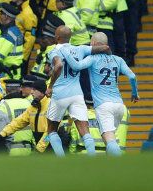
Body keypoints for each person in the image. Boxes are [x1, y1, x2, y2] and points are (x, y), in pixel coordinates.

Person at [63, 32, 138, 156]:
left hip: (104, 106)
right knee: (108, 138)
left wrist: (66, 52)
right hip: (120, 105)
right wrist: (135, 93)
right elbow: (132, 76)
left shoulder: (93, 59)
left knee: (109, 140)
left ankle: (121, 165)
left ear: (94, 44)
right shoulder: (118, 59)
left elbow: (76, 66)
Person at [44, 26, 110, 156]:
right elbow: (105, 48)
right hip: (77, 94)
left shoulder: (54, 51)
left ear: (57, 37)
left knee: (51, 129)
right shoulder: (80, 49)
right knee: (84, 129)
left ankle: (61, 159)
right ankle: (92, 156)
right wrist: (109, 59)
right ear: (70, 37)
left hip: (60, 94)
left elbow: (58, 65)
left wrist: (50, 86)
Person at [0, 79, 50, 154]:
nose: (31, 92)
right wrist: (1, 135)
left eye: (34, 90)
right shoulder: (34, 105)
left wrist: (39, 149)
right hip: (41, 145)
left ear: (42, 91)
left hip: (51, 145)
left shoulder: (51, 105)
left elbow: (51, 131)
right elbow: (19, 122)